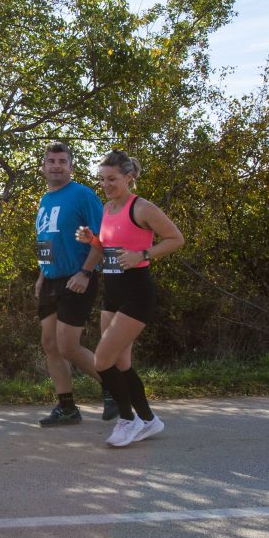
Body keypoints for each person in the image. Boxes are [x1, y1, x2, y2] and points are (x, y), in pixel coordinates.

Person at [76, 149, 184, 448]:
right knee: (121, 362)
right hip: (112, 292)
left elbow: (176, 238)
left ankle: (128, 419)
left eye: (111, 179)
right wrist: (92, 241)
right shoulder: (108, 209)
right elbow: (108, 247)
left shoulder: (143, 208)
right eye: (102, 180)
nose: (106, 184)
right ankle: (148, 420)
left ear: (129, 177)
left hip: (137, 293)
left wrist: (143, 254)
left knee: (102, 360)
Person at [33, 143, 106, 426]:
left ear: (71, 167)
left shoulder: (83, 195)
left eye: (63, 161)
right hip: (51, 279)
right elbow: (45, 241)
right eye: (51, 160)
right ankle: (67, 408)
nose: (56, 165)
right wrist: (41, 274)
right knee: (50, 343)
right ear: (43, 167)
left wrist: (85, 272)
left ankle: (114, 386)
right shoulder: (44, 200)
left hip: (78, 277)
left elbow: (102, 238)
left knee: (68, 346)